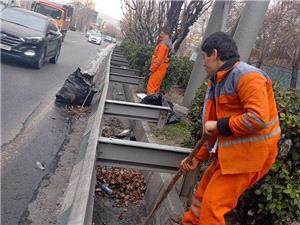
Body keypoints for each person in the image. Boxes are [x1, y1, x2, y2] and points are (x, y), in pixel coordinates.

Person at [180, 32, 281, 225]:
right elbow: (212, 130)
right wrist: (197, 157)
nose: (203, 63)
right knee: (201, 199)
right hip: (230, 156)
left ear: (215, 53)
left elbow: (258, 118)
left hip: (248, 158)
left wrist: (219, 125)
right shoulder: (219, 82)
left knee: (212, 207)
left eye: (204, 57)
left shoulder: (247, 76)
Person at [146, 29, 172, 95]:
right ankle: (154, 101)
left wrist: (152, 69)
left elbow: (158, 59)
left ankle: (150, 103)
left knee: (151, 86)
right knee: (156, 86)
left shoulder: (163, 45)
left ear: (163, 34)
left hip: (158, 68)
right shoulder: (167, 43)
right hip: (162, 67)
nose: (159, 35)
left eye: (160, 33)